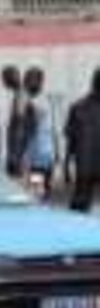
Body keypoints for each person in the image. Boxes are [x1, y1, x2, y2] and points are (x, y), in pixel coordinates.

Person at [65, 68, 100, 212]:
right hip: (85, 167)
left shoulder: (77, 107)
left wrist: (67, 164)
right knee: (80, 205)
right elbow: (71, 138)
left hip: (84, 166)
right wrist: (67, 164)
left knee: (80, 205)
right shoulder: (77, 107)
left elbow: (70, 139)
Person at [22, 67, 57, 199]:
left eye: (29, 80)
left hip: (38, 156)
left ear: (39, 82)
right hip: (45, 154)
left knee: (37, 193)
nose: (26, 83)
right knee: (43, 191)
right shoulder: (45, 100)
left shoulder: (31, 103)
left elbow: (28, 130)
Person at [1, 65, 31, 177]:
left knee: (22, 181)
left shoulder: (21, 95)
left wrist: (16, 154)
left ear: (11, 78)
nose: (3, 82)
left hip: (20, 148)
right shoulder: (21, 93)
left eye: (4, 79)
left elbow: (19, 123)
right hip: (22, 147)